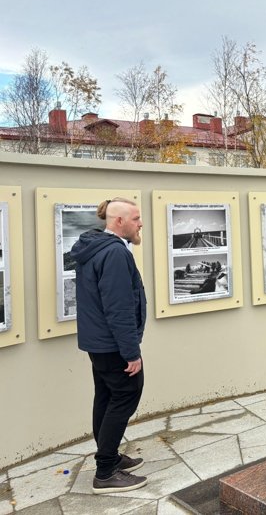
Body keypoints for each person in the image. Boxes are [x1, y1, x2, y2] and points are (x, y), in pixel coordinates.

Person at [71, 198, 149, 493]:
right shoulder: (115, 253)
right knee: (126, 395)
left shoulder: (94, 248)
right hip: (113, 345)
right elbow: (119, 307)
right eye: (136, 218)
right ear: (119, 222)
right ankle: (105, 472)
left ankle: (111, 457)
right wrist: (131, 352)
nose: (140, 223)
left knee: (105, 397)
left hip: (98, 343)